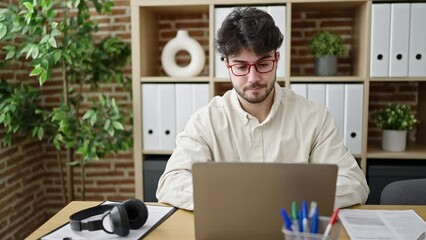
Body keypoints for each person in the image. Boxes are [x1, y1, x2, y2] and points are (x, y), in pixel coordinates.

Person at [156, 7, 369, 210]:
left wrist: (285, 200)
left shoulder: (314, 117)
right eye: (240, 66)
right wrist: (236, 201)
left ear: (276, 59)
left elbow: (354, 183)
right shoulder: (205, 121)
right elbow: (171, 182)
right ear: (227, 65)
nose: (253, 78)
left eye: (263, 64)